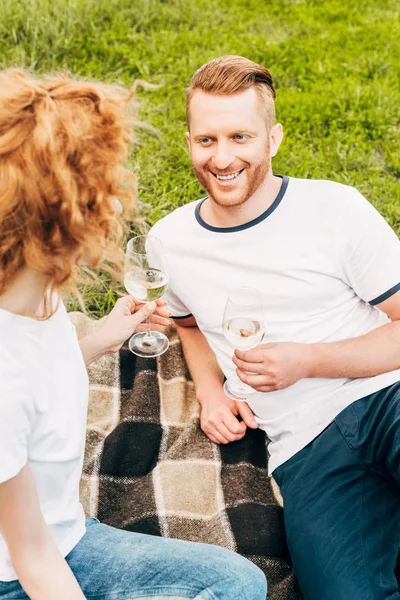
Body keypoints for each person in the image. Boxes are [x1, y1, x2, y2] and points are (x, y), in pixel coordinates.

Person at [0, 69, 268, 600]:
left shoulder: (32, 290)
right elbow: (30, 558)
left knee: (239, 583)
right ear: (61, 219)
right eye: (104, 193)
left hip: (70, 536)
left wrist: (100, 336)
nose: (118, 207)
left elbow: (37, 376)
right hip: (19, 570)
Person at [149, 55, 400, 600]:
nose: (222, 158)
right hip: (305, 447)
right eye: (206, 139)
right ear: (188, 140)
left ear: (273, 139)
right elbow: (187, 325)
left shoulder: (334, 208)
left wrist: (308, 361)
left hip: (388, 399)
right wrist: (211, 392)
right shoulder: (170, 242)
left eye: (240, 136)